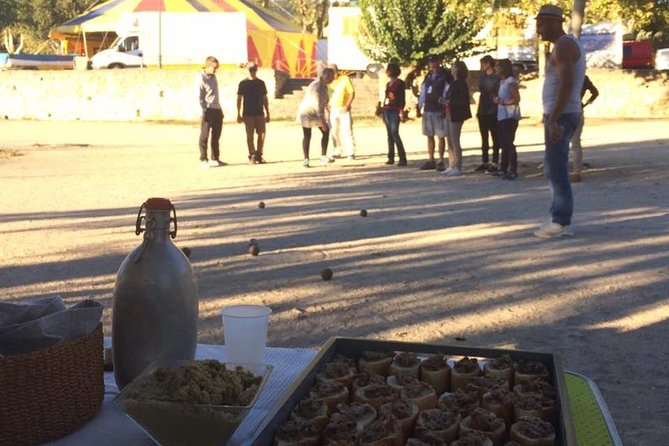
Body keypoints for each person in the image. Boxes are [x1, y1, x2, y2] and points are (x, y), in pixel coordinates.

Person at [534, 4, 586, 238]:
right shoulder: (564, 44)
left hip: (562, 114)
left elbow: (566, 85)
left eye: (541, 23)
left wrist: (553, 118)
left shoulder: (564, 45)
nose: (538, 29)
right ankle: (559, 218)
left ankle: (560, 221)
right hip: (562, 112)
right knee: (553, 166)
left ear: (555, 22)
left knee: (556, 167)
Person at [297, 68, 335, 167]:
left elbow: (324, 99)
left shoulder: (325, 86)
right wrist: (322, 121)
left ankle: (323, 156)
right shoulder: (316, 86)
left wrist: (327, 105)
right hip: (307, 112)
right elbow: (316, 104)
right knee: (308, 134)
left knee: (325, 132)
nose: (333, 79)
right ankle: (306, 159)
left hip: (317, 112)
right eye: (331, 77)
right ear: (326, 76)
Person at [418, 55, 451, 171]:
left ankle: (441, 160)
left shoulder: (445, 76)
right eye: (430, 62)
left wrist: (445, 103)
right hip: (428, 109)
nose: (433, 64)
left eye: (434, 61)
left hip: (439, 109)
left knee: (441, 136)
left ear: (439, 62)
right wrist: (419, 106)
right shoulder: (428, 76)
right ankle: (431, 159)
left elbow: (448, 90)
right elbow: (423, 91)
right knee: (429, 135)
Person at [492, 58, 521, 180]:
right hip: (502, 115)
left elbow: (516, 98)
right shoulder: (501, 81)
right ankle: (503, 168)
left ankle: (513, 169)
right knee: (503, 142)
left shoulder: (510, 81)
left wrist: (503, 102)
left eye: (498, 66)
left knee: (509, 142)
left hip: (510, 115)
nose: (496, 68)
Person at [442, 61, 472, 176]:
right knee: (449, 139)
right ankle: (451, 164)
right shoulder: (453, 82)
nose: (451, 69)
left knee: (455, 139)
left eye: (453, 67)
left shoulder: (461, 83)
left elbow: (463, 100)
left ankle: (458, 165)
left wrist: (449, 102)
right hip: (449, 112)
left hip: (457, 113)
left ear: (458, 69)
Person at [237, 62, 270, 164]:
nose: (252, 72)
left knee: (262, 134)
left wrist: (268, 112)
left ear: (256, 70)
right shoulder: (243, 84)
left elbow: (265, 98)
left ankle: (259, 154)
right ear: (247, 70)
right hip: (248, 113)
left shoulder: (261, 83)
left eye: (254, 69)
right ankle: (252, 154)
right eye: (250, 70)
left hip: (259, 112)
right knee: (250, 135)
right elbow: (239, 98)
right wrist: (238, 113)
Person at [196, 56, 225, 168]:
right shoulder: (200, 78)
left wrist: (219, 109)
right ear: (208, 66)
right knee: (204, 135)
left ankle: (215, 158)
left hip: (217, 109)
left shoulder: (213, 77)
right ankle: (203, 159)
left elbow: (214, 94)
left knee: (216, 135)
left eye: (217, 68)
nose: (216, 70)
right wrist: (201, 111)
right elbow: (198, 96)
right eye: (214, 68)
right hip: (207, 109)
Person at [570, 74, 599, 182]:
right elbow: (595, 92)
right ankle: (577, 171)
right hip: (578, 109)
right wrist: (586, 104)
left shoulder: (562, 75)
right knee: (576, 144)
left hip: (564, 110)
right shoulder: (582, 77)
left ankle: (560, 170)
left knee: (560, 143)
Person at [476, 55, 501, 173]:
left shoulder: (496, 78)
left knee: (495, 137)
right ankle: (484, 161)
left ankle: (495, 161)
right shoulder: (483, 77)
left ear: (488, 64)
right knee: (483, 137)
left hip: (493, 110)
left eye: (483, 64)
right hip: (482, 109)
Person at [328, 64, 357, 160]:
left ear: (337, 71)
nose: (333, 75)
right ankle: (337, 150)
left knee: (347, 130)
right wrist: (326, 106)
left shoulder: (345, 79)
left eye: (334, 72)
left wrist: (347, 105)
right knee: (334, 130)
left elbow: (351, 92)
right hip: (332, 109)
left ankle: (350, 152)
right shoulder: (327, 81)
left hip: (343, 108)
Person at [381, 62, 408, 166]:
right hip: (387, 109)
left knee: (395, 133)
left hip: (395, 109)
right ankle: (390, 156)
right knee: (389, 134)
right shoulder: (388, 84)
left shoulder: (400, 83)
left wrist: (401, 110)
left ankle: (402, 157)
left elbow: (401, 98)